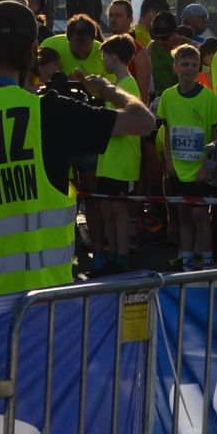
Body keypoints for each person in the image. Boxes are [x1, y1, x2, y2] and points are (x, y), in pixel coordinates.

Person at [0, 0, 151, 299]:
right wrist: (107, 89)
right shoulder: (48, 112)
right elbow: (143, 121)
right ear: (32, 51)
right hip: (39, 300)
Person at [156, 43, 217, 270]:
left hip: (200, 170)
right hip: (178, 167)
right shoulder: (167, 96)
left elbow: (215, 134)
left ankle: (207, 260)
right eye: (185, 64)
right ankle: (186, 260)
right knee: (183, 214)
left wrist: (206, 166)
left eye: (194, 64)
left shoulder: (208, 98)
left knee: (200, 215)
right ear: (175, 67)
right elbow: (167, 131)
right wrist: (168, 162)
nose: (190, 68)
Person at [91, 35, 142, 275]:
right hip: (108, 159)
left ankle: (121, 257)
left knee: (119, 209)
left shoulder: (128, 85)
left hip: (123, 160)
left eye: (104, 56)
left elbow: (125, 122)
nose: (103, 60)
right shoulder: (114, 84)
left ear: (113, 57)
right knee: (107, 208)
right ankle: (112, 254)